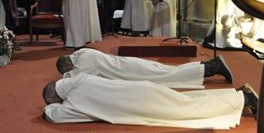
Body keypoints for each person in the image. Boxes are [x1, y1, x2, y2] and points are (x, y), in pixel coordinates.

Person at [42, 73, 258, 129]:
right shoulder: (80, 79)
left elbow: (53, 115)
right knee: (185, 100)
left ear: (56, 97)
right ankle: (234, 95)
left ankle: (242, 99)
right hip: (141, 88)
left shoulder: (73, 102)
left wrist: (50, 106)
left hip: (140, 105)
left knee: (187, 110)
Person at [56, 48, 233, 89]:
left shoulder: (82, 63)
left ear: (69, 65)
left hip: (131, 72)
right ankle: (209, 66)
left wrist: (65, 76)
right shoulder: (81, 52)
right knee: (169, 71)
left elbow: (73, 79)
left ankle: (213, 66)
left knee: (168, 75)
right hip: (129, 65)